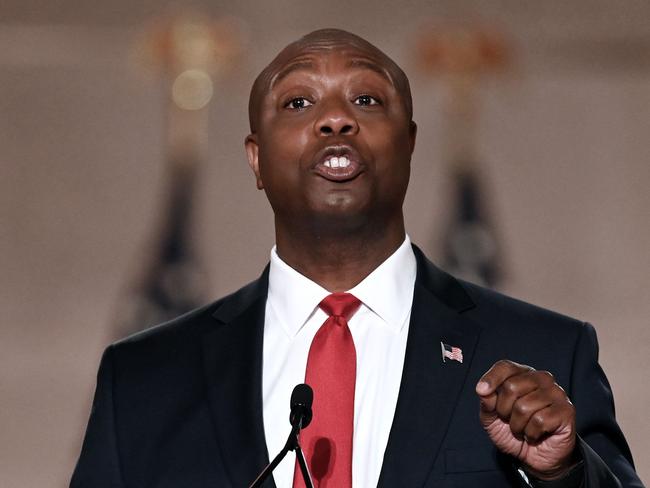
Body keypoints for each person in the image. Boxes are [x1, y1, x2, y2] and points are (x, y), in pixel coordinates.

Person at [70, 29, 643, 487]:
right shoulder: (144, 379)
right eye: (298, 102)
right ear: (255, 160)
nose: (336, 119)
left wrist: (562, 477)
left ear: (410, 143)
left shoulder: (545, 354)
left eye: (366, 99)